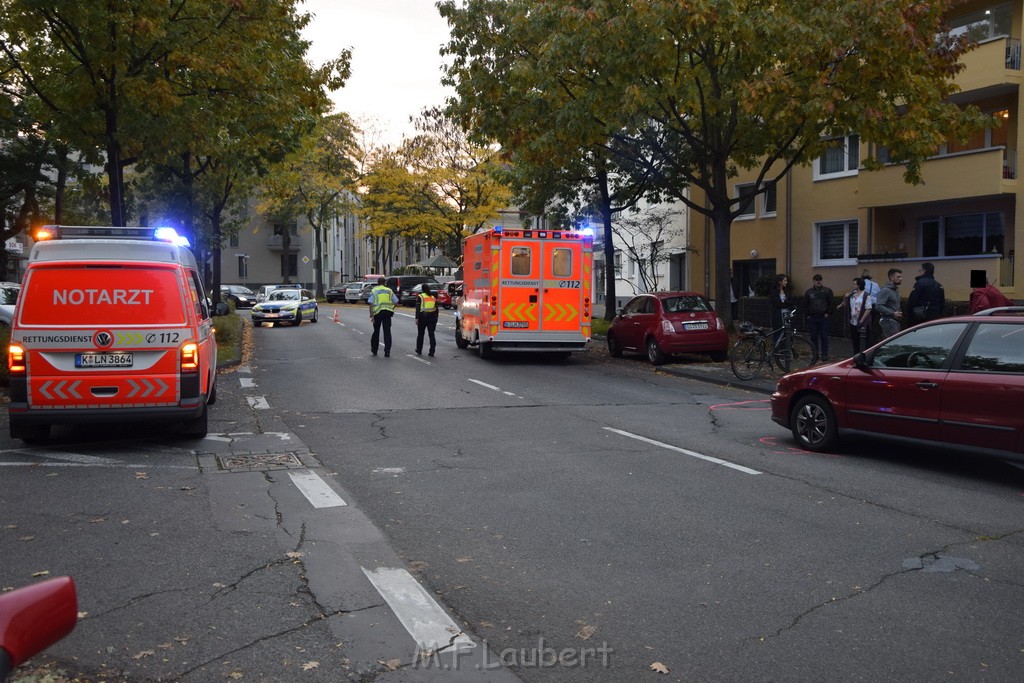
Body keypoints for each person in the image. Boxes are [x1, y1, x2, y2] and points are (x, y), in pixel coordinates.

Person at [802, 274, 834, 362]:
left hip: (823, 317)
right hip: (812, 317)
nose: (818, 281)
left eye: (820, 279)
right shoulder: (809, 292)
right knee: (813, 337)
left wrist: (828, 313)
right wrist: (807, 315)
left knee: (824, 336)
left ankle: (824, 354)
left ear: (822, 280)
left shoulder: (827, 291)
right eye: (816, 280)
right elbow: (805, 304)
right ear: (813, 281)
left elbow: (831, 303)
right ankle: (815, 353)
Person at [368, 276, 397, 357]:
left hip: (377, 313)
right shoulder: (389, 290)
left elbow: (371, 303)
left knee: (376, 331)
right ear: (385, 283)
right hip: (387, 313)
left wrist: (371, 315)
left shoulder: (374, 290)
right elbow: (396, 301)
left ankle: (374, 350)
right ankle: (387, 351)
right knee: (387, 332)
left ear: (378, 283)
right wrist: (391, 308)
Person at [845, 277, 873, 354]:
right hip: (853, 321)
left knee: (864, 341)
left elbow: (868, 309)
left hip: (862, 322)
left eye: (854, 284)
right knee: (855, 341)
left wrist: (861, 320)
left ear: (859, 285)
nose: (853, 285)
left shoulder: (866, 296)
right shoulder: (852, 295)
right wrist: (846, 297)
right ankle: (856, 355)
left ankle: (864, 355)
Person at [875, 268, 904, 339]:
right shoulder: (885, 290)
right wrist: (893, 313)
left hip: (895, 321)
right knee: (895, 345)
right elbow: (878, 306)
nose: (901, 279)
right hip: (888, 321)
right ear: (891, 277)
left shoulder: (895, 289)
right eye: (898, 277)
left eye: (901, 276)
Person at [768, 274, 793, 351]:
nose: (786, 282)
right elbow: (776, 303)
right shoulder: (774, 292)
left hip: (786, 314)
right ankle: (776, 350)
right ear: (780, 282)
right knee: (778, 332)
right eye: (785, 281)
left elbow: (791, 301)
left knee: (786, 332)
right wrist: (785, 303)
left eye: (786, 280)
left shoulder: (787, 291)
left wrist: (785, 303)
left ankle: (784, 349)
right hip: (777, 315)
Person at [415, 283, 439, 356]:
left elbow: (418, 308)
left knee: (421, 334)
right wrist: (436, 318)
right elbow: (437, 309)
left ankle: (419, 350)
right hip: (432, 317)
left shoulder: (420, 296)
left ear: (422, 289)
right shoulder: (432, 297)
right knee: (431, 334)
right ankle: (432, 351)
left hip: (423, 317)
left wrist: (417, 318)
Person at [861, 269, 881, 343]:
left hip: (864, 307)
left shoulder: (861, 284)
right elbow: (879, 295)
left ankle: (865, 339)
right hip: (874, 306)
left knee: (865, 323)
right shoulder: (875, 284)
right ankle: (871, 339)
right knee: (872, 323)